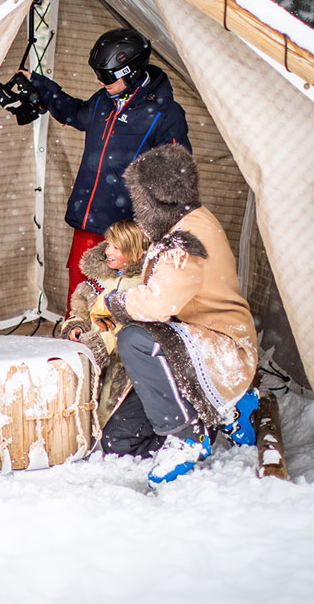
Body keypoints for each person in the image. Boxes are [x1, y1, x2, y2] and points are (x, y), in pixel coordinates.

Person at [91, 144, 258, 486]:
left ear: (155, 198)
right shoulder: (184, 223)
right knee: (119, 443)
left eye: (140, 199)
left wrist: (113, 303)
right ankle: (218, 413)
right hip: (190, 346)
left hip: (221, 347)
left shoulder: (185, 238)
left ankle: (187, 435)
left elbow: (157, 305)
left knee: (134, 339)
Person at [20, 27, 191, 314]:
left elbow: (178, 177)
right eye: (98, 73)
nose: (100, 80)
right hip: (88, 220)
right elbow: (74, 112)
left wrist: (164, 231)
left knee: (118, 300)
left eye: (108, 75)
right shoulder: (103, 101)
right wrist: (39, 85)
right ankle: (74, 346)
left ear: (133, 72)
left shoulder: (166, 114)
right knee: (79, 297)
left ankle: (112, 355)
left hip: (126, 231)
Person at [61, 220, 161, 455]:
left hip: (132, 379)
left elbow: (136, 331)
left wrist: (99, 345)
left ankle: (179, 435)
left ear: (135, 251)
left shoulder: (146, 287)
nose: (108, 251)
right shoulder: (95, 283)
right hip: (97, 372)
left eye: (116, 247)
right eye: (108, 245)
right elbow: (79, 314)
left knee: (116, 443)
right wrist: (75, 327)